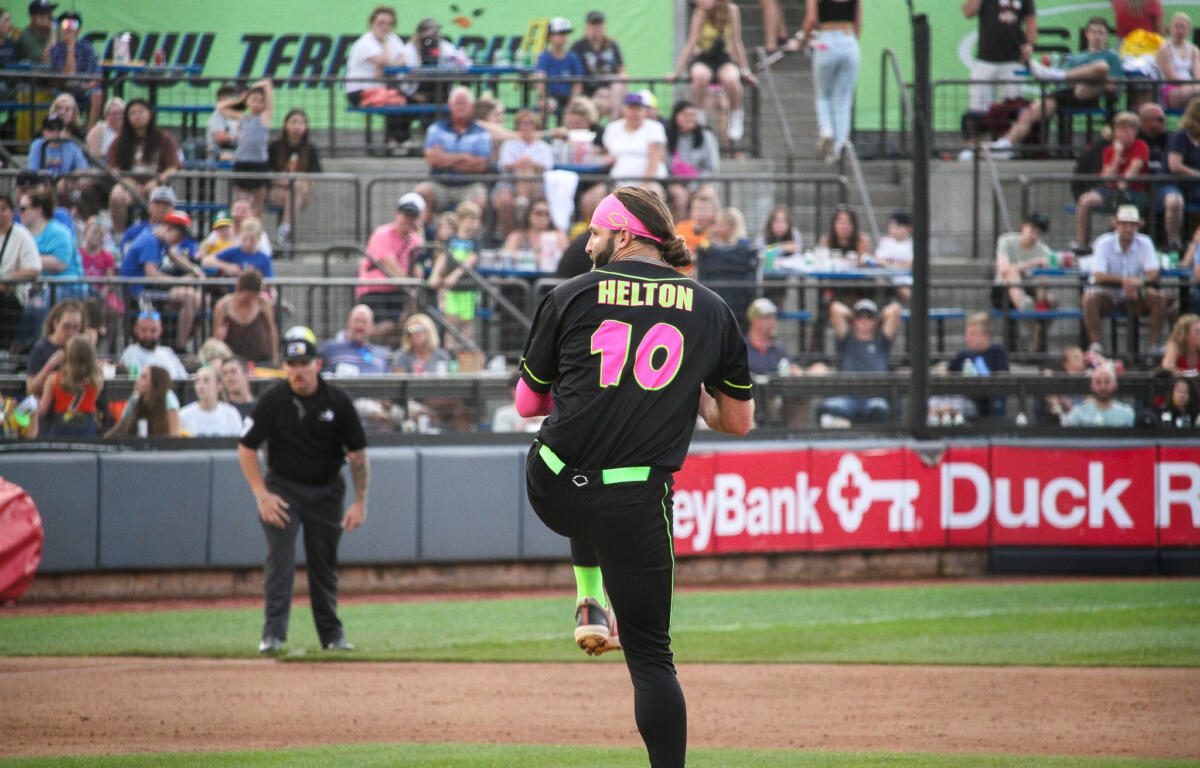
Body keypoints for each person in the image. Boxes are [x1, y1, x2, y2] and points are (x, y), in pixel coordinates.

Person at [516, 186, 753, 768]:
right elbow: (737, 422)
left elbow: (527, 405)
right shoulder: (711, 308)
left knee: (584, 472)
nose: (588, 244)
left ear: (623, 235)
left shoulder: (568, 294)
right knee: (651, 660)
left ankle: (588, 596)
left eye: (595, 233)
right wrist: (692, 392)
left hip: (554, 484)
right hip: (636, 501)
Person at [238, 327, 369, 654]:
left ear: (318, 364)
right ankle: (272, 636)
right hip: (283, 490)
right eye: (292, 364)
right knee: (280, 561)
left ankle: (332, 637)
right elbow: (246, 446)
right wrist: (261, 495)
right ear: (284, 367)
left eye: (304, 364)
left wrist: (359, 502)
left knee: (323, 565)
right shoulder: (273, 400)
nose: (299, 371)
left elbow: (358, 454)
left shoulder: (337, 401)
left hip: (326, 491)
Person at [989, 18, 1123, 158]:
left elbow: (1114, 85)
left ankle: (1057, 75)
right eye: (1094, 32)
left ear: (1107, 35)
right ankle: (1005, 144)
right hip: (1068, 95)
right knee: (1031, 111)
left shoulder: (1112, 56)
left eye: (1101, 32)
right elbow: (1064, 86)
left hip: (1092, 95)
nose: (1097, 36)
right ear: (1087, 34)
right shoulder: (1076, 58)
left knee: (1101, 67)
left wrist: (1089, 78)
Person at [667, 0, 756, 143]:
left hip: (723, 57)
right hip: (704, 56)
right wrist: (677, 71)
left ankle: (736, 114)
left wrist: (745, 71)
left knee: (732, 79)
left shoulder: (731, 10)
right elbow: (691, 42)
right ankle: (700, 114)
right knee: (700, 76)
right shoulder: (701, 12)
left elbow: (737, 41)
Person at [1082, 205, 1166, 355]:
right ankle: (1096, 346)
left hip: (1134, 294)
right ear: (1116, 225)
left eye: (1132, 225)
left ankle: (1153, 348)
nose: (1128, 229)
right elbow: (1098, 274)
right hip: (1105, 293)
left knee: (1159, 299)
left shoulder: (1145, 242)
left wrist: (1138, 282)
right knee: (1089, 299)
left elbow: (1153, 273)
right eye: (1124, 224)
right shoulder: (1103, 243)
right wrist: (1125, 281)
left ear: (1138, 227)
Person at [120, 211, 203, 351]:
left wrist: (195, 270)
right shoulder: (151, 241)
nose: (180, 241)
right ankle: (180, 348)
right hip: (138, 292)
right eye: (180, 236)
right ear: (169, 228)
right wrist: (180, 281)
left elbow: (175, 257)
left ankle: (173, 343)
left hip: (150, 290)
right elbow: (151, 274)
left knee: (198, 297)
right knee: (189, 297)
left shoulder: (159, 237)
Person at [818, 297, 901, 425]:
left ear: (875, 320)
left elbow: (895, 309)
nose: (864, 320)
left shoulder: (881, 341)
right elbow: (835, 308)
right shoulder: (847, 339)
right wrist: (852, 318)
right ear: (854, 320)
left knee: (879, 408)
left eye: (869, 316)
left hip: (874, 395)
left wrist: (877, 318)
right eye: (860, 316)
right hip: (848, 396)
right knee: (828, 408)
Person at [106, 99, 181, 237]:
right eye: (133, 113)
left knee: (158, 196)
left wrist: (157, 181)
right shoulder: (119, 141)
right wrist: (129, 183)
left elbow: (172, 167)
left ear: (150, 114)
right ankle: (119, 236)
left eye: (141, 111)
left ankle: (158, 234)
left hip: (156, 184)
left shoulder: (165, 138)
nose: (137, 115)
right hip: (129, 185)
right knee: (116, 196)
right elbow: (114, 169)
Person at [1073, 111, 1149, 247]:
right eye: (1120, 129)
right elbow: (1107, 178)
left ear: (1135, 131)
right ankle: (1082, 243)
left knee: (1122, 206)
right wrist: (1117, 154)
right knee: (1085, 201)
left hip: (1134, 192)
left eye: (1127, 130)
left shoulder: (1140, 146)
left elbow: (1132, 172)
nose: (1123, 134)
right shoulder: (1109, 150)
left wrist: (1120, 186)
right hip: (1110, 191)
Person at [798, 0, 862, 162]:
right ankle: (841, 143)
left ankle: (826, 129)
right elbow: (858, 22)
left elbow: (811, 19)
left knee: (823, 94)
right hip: (849, 40)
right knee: (843, 97)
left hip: (826, 41)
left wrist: (802, 39)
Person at [414, 87, 493, 216]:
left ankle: (472, 229)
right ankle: (426, 228)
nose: (460, 107)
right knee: (421, 192)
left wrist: (445, 158)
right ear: (449, 105)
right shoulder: (436, 129)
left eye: (464, 104)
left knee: (481, 200)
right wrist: (465, 157)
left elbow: (481, 164)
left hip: (470, 186)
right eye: (457, 103)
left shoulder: (481, 133)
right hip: (440, 184)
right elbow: (432, 159)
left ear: (472, 107)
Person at [358, 192, 425, 327]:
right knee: (386, 326)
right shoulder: (382, 234)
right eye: (405, 215)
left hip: (398, 291)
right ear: (397, 214)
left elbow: (418, 268)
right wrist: (411, 289)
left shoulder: (415, 240)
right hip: (375, 289)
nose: (408, 220)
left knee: (407, 322)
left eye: (412, 217)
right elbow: (391, 267)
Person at [345, 6, 408, 147]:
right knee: (395, 101)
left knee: (406, 100)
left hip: (382, 91)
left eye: (389, 24)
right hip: (359, 92)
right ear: (372, 24)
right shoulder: (364, 43)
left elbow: (404, 59)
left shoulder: (394, 39)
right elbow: (386, 60)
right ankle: (391, 142)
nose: (385, 27)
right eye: (381, 23)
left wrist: (386, 67)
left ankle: (400, 140)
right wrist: (385, 49)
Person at [961, 0, 1037, 116]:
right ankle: (978, 128)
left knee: (1014, 108)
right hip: (984, 59)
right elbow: (968, 13)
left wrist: (1030, 45)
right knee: (977, 109)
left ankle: (1011, 128)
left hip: (1015, 60)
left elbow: (1031, 21)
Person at [428, 201, 482, 351]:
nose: (475, 224)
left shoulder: (475, 241)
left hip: (468, 289)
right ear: (460, 220)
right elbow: (443, 258)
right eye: (471, 219)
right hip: (451, 290)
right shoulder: (451, 240)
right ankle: (449, 352)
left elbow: (471, 260)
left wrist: (454, 276)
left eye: (477, 220)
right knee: (450, 322)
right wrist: (434, 275)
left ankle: (465, 354)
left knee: (467, 322)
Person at [494, 110, 554, 237]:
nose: (526, 127)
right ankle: (509, 236)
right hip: (510, 182)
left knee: (527, 169)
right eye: (523, 123)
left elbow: (547, 167)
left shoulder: (544, 147)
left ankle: (522, 203)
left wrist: (530, 163)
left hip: (537, 185)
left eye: (529, 123)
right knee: (504, 201)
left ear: (535, 126)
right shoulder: (509, 145)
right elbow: (503, 166)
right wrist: (519, 163)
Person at [267, 108, 321, 245]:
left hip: (300, 191)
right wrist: (281, 181)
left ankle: (284, 231)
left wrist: (302, 181)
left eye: (301, 123)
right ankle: (287, 236)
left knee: (298, 188)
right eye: (294, 122)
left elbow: (316, 174)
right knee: (295, 193)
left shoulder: (310, 149)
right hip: (277, 190)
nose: (297, 126)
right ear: (286, 125)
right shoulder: (275, 147)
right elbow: (266, 172)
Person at [696, 206, 756, 328]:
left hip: (738, 304)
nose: (717, 228)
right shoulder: (710, 245)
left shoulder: (744, 247)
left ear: (733, 226)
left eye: (721, 225)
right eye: (717, 224)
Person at [220, 78, 274, 214]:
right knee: (241, 201)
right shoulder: (243, 117)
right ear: (248, 101)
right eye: (254, 100)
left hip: (258, 164)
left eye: (261, 101)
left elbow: (267, 86)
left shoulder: (264, 117)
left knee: (258, 204)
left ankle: (257, 226)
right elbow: (221, 108)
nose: (257, 104)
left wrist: (258, 85)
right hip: (242, 162)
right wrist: (241, 99)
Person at [946, 312, 1010, 421]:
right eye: (967, 334)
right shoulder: (963, 354)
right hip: (962, 398)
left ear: (986, 335)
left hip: (982, 402)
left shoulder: (997, 351)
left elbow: (1003, 379)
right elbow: (946, 375)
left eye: (972, 334)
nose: (968, 338)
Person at [1137, 102, 1184, 252]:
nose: (1164, 122)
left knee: (1174, 200)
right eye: (1160, 119)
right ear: (1145, 121)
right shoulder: (1136, 138)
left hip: (1162, 186)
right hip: (1138, 187)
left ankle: (1173, 243)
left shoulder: (1170, 139)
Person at [21, 188, 83, 300]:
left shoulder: (59, 232)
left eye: (23, 209)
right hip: (39, 289)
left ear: (38, 210)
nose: (19, 213)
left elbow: (60, 263)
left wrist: (23, 260)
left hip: (68, 290)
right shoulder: (23, 234)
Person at [0, 193, 42, 353]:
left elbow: (34, 269)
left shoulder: (22, 236)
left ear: (12, 212)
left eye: (3, 209)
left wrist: (8, 279)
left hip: (13, 295)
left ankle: (4, 353)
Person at [664, 100, 720, 221]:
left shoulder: (706, 136)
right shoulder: (667, 136)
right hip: (675, 182)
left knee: (708, 193)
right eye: (686, 115)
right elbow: (665, 165)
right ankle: (680, 228)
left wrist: (693, 186)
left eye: (693, 115)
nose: (690, 118)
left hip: (700, 182)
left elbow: (711, 167)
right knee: (680, 195)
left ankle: (708, 229)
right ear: (676, 116)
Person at [212, 268, 277, 367]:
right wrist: (219, 337)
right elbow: (215, 339)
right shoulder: (223, 306)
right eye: (247, 298)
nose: (250, 301)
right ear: (238, 289)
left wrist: (274, 356)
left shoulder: (263, 302)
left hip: (261, 360)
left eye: (254, 297)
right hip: (233, 361)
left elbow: (272, 330)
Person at [47, 10, 101, 129]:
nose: (69, 28)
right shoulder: (56, 50)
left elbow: (96, 77)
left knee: (97, 94)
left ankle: (88, 132)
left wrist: (84, 87)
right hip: (63, 89)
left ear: (79, 29)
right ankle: (61, 128)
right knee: (65, 99)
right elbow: (67, 76)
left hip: (84, 88)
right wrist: (70, 49)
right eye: (65, 24)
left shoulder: (87, 49)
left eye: (74, 24)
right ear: (61, 29)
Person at [570, 11, 627, 119]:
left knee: (619, 83)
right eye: (593, 25)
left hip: (611, 91)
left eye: (599, 24)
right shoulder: (579, 46)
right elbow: (575, 74)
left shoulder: (611, 44)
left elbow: (622, 70)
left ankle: (613, 121)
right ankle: (612, 124)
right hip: (589, 92)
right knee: (603, 96)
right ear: (587, 27)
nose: (596, 28)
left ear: (604, 26)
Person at [992, 212, 1053, 314]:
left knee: (1052, 300)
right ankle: (1025, 310)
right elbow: (1003, 269)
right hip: (1003, 290)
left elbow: (1056, 260)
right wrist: (1031, 263)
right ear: (1024, 226)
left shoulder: (1043, 249)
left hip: (1030, 289)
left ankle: (1038, 310)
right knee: (1012, 273)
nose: (1035, 235)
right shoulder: (1006, 241)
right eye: (1033, 230)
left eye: (1040, 232)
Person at [25, 297, 81, 396]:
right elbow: (31, 390)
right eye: (66, 326)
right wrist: (50, 365)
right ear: (55, 323)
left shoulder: (80, 348)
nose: (71, 333)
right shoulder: (41, 348)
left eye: (76, 327)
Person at [105, 364, 180, 437]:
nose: (138, 380)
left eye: (144, 377)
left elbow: (174, 436)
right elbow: (119, 428)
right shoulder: (134, 400)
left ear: (156, 382)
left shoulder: (168, 398)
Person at [535, 18, 584, 122]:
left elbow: (578, 84)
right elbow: (540, 79)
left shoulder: (573, 58)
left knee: (580, 109)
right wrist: (544, 98)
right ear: (550, 37)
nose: (564, 37)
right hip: (550, 96)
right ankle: (540, 130)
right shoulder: (544, 57)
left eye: (566, 34)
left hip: (569, 98)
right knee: (544, 106)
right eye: (561, 34)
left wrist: (572, 103)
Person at [320, 304, 390, 375]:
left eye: (364, 322)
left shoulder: (381, 354)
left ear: (372, 327)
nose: (360, 326)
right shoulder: (330, 348)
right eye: (356, 321)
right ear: (348, 323)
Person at [118, 310, 189, 380]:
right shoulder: (131, 353)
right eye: (144, 330)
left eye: (153, 331)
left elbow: (184, 379)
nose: (148, 335)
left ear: (160, 331)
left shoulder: (168, 352)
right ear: (136, 330)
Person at [503, 198, 568, 273]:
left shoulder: (559, 236)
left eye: (547, 214)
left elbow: (565, 259)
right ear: (529, 215)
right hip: (520, 276)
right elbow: (508, 256)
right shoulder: (517, 236)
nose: (543, 217)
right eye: (538, 213)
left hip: (550, 276)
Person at [1165, 98, 1200, 233]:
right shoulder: (1180, 136)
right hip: (1173, 184)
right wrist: (1197, 174)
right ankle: (1173, 241)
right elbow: (1175, 166)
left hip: (1194, 186)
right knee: (1175, 202)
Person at [178, 365, 243, 437]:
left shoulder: (231, 414)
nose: (200, 385)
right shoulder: (183, 415)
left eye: (206, 380)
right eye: (198, 381)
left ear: (219, 386)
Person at [1063, 364, 1136, 426]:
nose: (1103, 387)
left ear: (1115, 385)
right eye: (1098, 382)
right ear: (1091, 386)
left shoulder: (1127, 414)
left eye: (1107, 382)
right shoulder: (1078, 413)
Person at [1157, 13, 1200, 110]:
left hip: (1192, 89)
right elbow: (1172, 78)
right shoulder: (1165, 49)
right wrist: (1192, 86)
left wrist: (1194, 86)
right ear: (1170, 29)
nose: (1179, 30)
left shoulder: (1194, 50)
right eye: (1176, 26)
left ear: (1189, 30)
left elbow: (1198, 76)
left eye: (1183, 27)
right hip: (1171, 91)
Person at [27, 113, 88, 179]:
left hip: (66, 182)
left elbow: (83, 169)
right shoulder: (37, 145)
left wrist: (67, 178)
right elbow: (33, 171)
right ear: (44, 131)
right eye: (51, 128)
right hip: (43, 182)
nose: (55, 132)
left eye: (59, 128)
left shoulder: (71, 145)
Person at [205, 83, 241, 160]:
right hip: (220, 156)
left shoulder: (234, 116)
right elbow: (220, 138)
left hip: (236, 154)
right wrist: (238, 137)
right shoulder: (217, 116)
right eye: (232, 98)